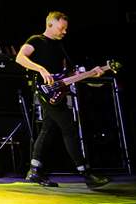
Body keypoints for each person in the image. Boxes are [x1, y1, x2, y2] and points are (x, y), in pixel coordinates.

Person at [16, 11, 109, 189]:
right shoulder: (36, 40)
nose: (65, 32)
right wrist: (41, 69)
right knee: (69, 128)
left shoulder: (60, 46)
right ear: (50, 24)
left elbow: (70, 74)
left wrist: (92, 74)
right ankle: (86, 173)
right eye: (61, 28)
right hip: (45, 91)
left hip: (58, 93)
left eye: (66, 28)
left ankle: (34, 171)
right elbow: (20, 58)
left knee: (48, 129)